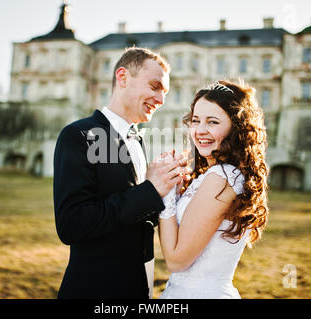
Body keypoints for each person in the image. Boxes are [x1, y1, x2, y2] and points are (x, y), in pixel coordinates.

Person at [53, 47, 186, 299]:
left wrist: (171, 190)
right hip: (95, 289)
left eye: (165, 92)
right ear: (122, 77)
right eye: (155, 86)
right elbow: (71, 224)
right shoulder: (78, 135)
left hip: (139, 285)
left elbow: (133, 213)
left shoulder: (138, 141)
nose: (161, 100)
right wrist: (150, 190)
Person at [157, 80, 269, 299]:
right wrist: (179, 190)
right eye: (196, 120)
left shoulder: (222, 177)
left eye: (213, 122)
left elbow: (176, 260)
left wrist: (167, 194)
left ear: (235, 128)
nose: (200, 130)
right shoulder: (217, 175)